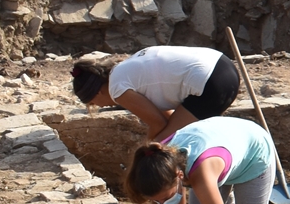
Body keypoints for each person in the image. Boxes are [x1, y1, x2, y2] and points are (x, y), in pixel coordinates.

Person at [125, 116, 276, 204]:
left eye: (165, 199)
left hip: (253, 154)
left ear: (179, 176)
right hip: (221, 146)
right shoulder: (157, 156)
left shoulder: (201, 174)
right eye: (156, 201)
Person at [72, 45, 240, 141]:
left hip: (209, 82)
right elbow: (168, 119)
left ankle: (173, 197)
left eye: (93, 104)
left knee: (164, 146)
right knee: (195, 136)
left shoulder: (117, 88)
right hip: (223, 66)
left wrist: (145, 148)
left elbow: (158, 124)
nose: (101, 106)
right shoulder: (125, 71)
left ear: (97, 93)